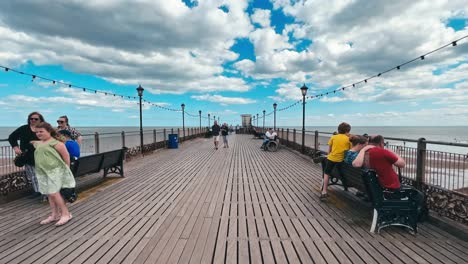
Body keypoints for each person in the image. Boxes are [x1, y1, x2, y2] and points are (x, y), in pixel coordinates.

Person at [353, 135, 427, 221]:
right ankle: (411, 218)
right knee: (419, 195)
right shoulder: (382, 152)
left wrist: (363, 149)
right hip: (391, 189)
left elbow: (355, 164)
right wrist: (394, 153)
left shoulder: (365, 153)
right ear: (381, 143)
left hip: (377, 189)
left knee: (414, 192)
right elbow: (402, 164)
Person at [32, 122, 76, 226]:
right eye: (37, 132)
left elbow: (66, 156)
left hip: (55, 171)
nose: (38, 133)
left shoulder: (56, 143)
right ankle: (54, 214)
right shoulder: (38, 143)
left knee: (54, 193)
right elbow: (34, 143)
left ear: (49, 131)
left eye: (41, 131)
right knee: (49, 193)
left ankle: (66, 214)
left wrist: (66, 169)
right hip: (43, 172)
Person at [8, 112, 45, 197]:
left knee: (42, 174)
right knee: (32, 175)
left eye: (36, 119)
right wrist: (15, 147)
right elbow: (12, 137)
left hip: (42, 155)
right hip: (27, 155)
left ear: (40, 120)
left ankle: (45, 192)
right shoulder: (24, 128)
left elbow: (52, 139)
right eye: (31, 118)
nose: (33, 120)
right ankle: (38, 191)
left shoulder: (44, 129)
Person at [321, 122, 352, 200]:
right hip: (341, 161)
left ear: (338, 130)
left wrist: (328, 156)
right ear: (347, 131)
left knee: (326, 173)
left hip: (331, 159)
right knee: (341, 171)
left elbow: (329, 150)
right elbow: (350, 151)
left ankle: (324, 190)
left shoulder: (333, 137)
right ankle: (345, 186)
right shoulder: (349, 139)